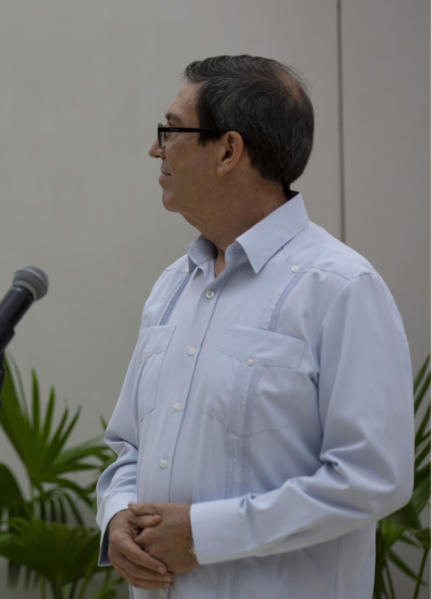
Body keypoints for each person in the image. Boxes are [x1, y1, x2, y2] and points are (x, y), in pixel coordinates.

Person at [95, 55, 413, 598]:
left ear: (228, 150)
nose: (156, 149)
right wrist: (118, 517)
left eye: (170, 131)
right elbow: (129, 448)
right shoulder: (173, 286)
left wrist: (204, 536)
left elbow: (371, 478)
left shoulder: (339, 287)